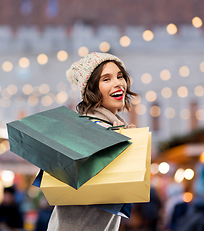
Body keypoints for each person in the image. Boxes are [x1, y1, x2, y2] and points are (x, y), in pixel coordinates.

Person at [46, 52, 138, 231]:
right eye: (106, 79)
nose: (118, 83)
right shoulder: (91, 128)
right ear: (92, 89)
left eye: (120, 76)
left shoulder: (106, 126)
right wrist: (120, 142)